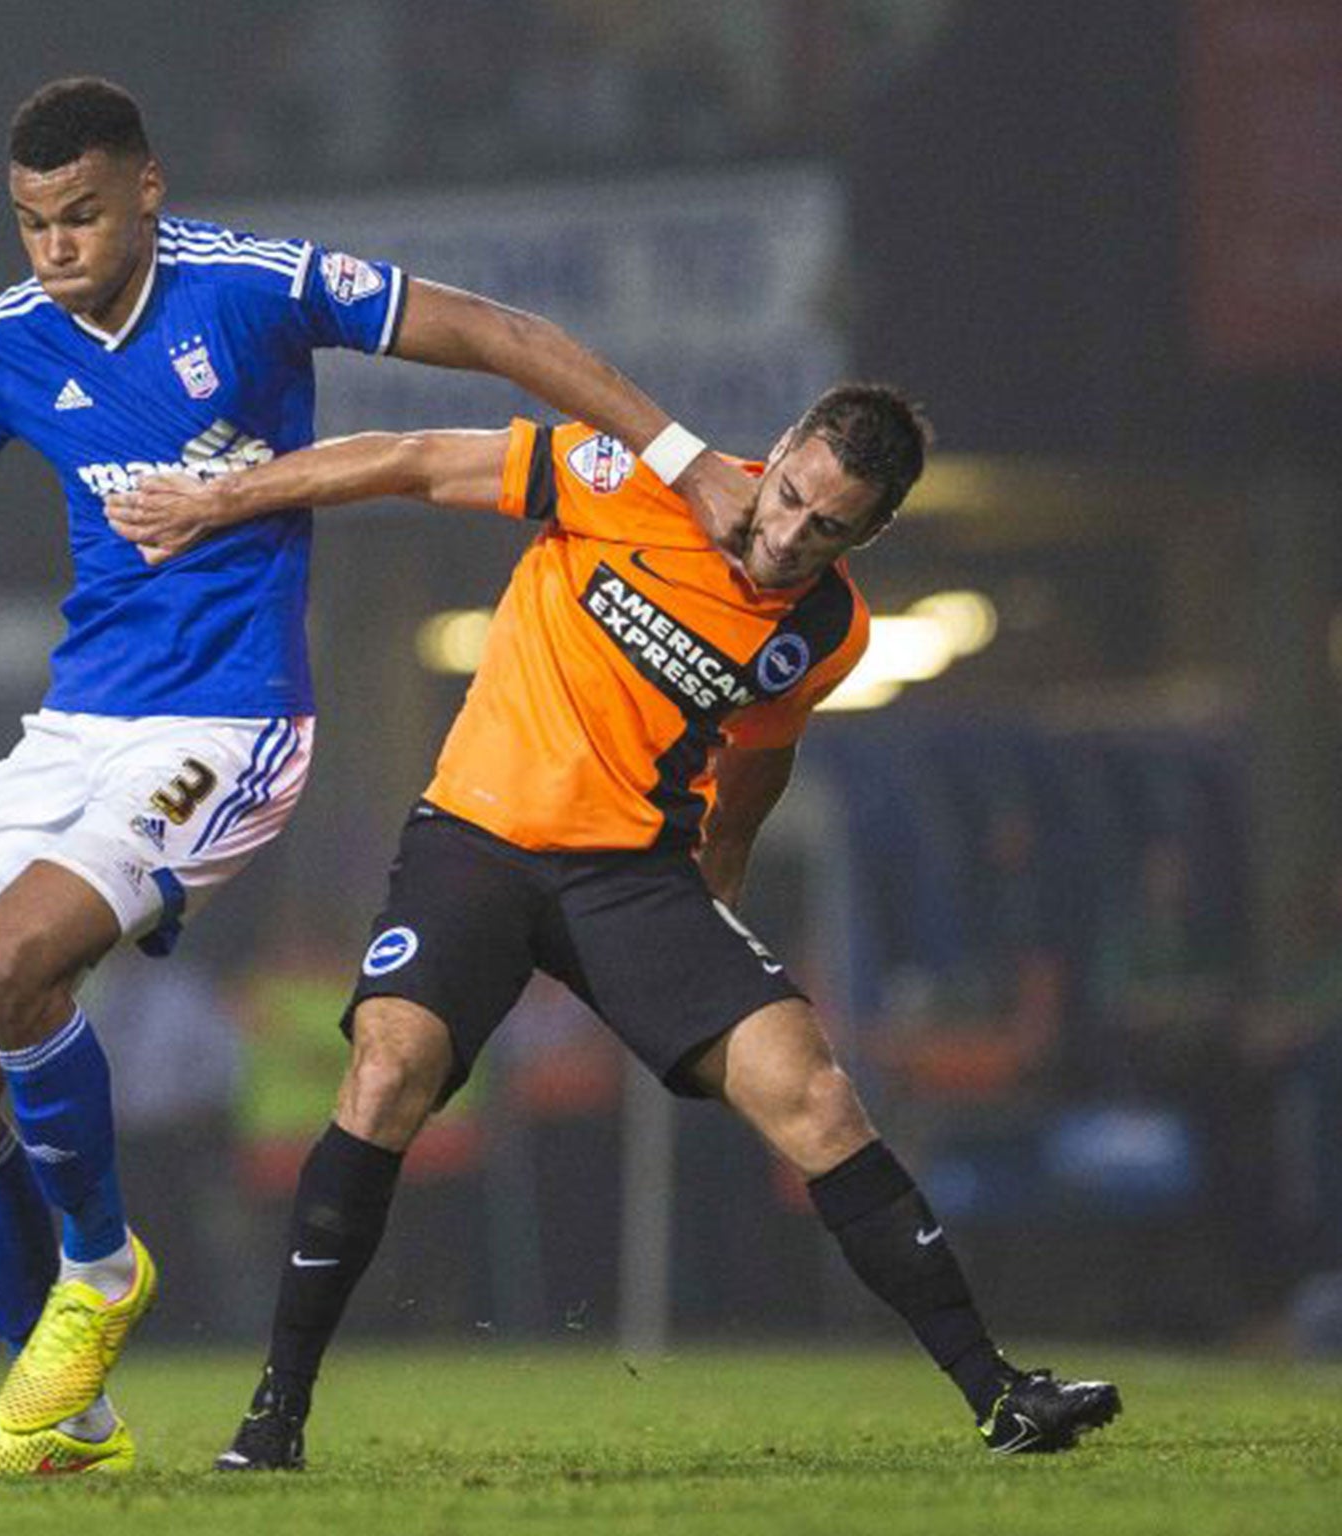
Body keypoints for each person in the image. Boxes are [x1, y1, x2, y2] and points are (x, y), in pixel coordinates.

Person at [0, 76, 757, 1479]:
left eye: (82, 216)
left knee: (10, 968)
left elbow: (500, 332)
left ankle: (102, 1271)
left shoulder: (255, 286)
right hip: (72, 732)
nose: (54, 247)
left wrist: (683, 459)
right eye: (32, 223)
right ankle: (70, 1431)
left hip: (225, 731)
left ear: (149, 191)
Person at [106, 383, 1122, 1467]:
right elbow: (406, 456)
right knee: (386, 1072)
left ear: (868, 533)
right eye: (784, 496)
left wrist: (714, 882)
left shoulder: (830, 629)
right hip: (474, 844)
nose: (784, 537)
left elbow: (760, 754)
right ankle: (274, 1421)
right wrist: (223, 500)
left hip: (629, 877)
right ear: (771, 453)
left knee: (814, 1096)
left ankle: (997, 1396)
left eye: (825, 528)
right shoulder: (630, 476)